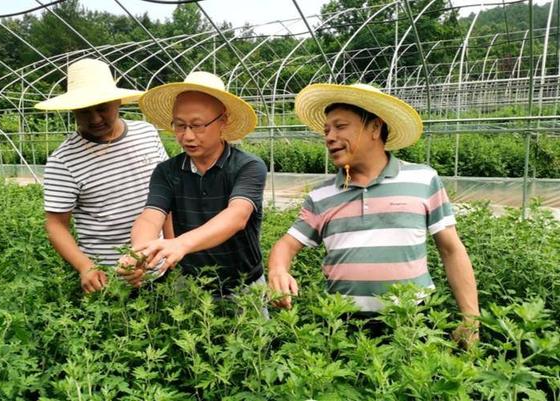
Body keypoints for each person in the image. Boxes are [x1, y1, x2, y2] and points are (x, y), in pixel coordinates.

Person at [268, 83, 480, 347]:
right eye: (326, 130)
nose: (329, 137)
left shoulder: (423, 179)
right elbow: (286, 245)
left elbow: (451, 250)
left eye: (340, 126)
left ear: (374, 128)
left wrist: (470, 318)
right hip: (343, 325)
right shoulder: (322, 196)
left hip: (411, 321)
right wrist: (277, 269)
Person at [117, 71, 267, 296]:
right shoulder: (167, 172)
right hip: (191, 286)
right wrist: (140, 252)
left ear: (223, 121)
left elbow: (237, 216)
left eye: (197, 125)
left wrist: (181, 243)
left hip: (244, 286)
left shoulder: (247, 166)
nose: (187, 136)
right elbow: (151, 215)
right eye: (179, 125)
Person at [35, 58, 169, 294]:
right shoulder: (63, 160)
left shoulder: (147, 134)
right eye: (85, 111)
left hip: (160, 267)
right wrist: (85, 267)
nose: (95, 118)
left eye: (102, 108)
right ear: (72, 109)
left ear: (117, 101)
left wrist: (171, 246)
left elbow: (167, 196)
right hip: (108, 280)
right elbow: (56, 226)